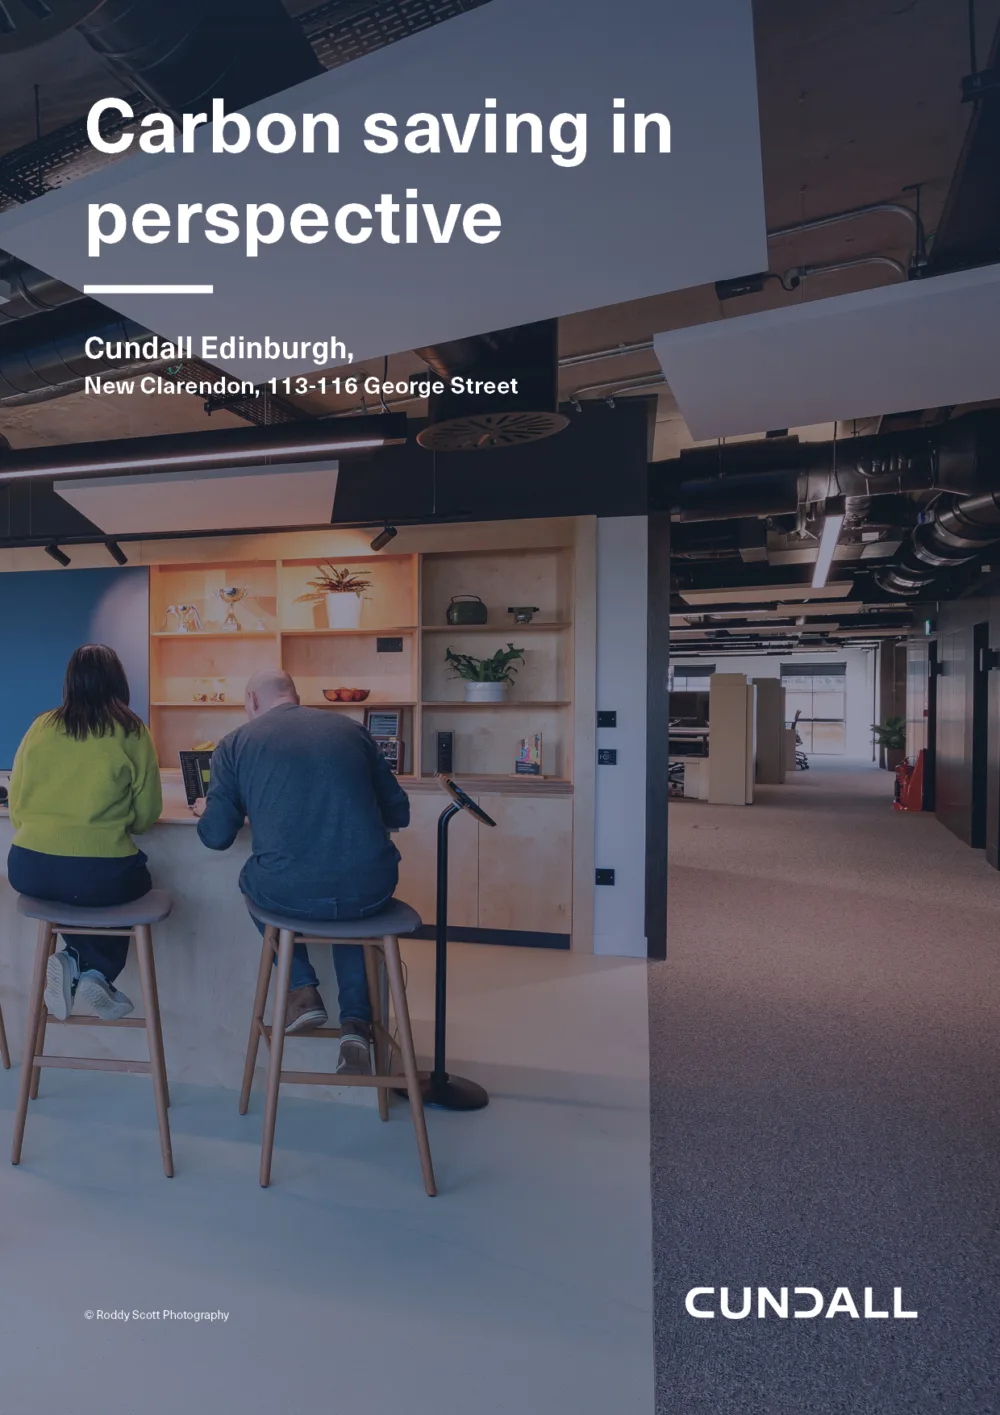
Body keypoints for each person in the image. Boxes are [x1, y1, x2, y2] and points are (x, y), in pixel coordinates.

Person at [193, 668, 409, 1075]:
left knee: (252, 879)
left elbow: (217, 837)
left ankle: (301, 989)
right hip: (370, 885)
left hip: (286, 893)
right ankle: (356, 1026)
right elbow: (399, 811)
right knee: (352, 911)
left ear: (253, 702)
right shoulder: (352, 731)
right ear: (294, 694)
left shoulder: (235, 743)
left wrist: (212, 808)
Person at [7, 644, 162, 1022]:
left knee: (75, 887)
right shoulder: (131, 729)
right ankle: (94, 970)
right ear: (118, 681)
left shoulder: (40, 726)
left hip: (28, 868)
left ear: (70, 682)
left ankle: (72, 957)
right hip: (101, 876)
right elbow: (146, 816)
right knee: (129, 882)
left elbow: (15, 805)